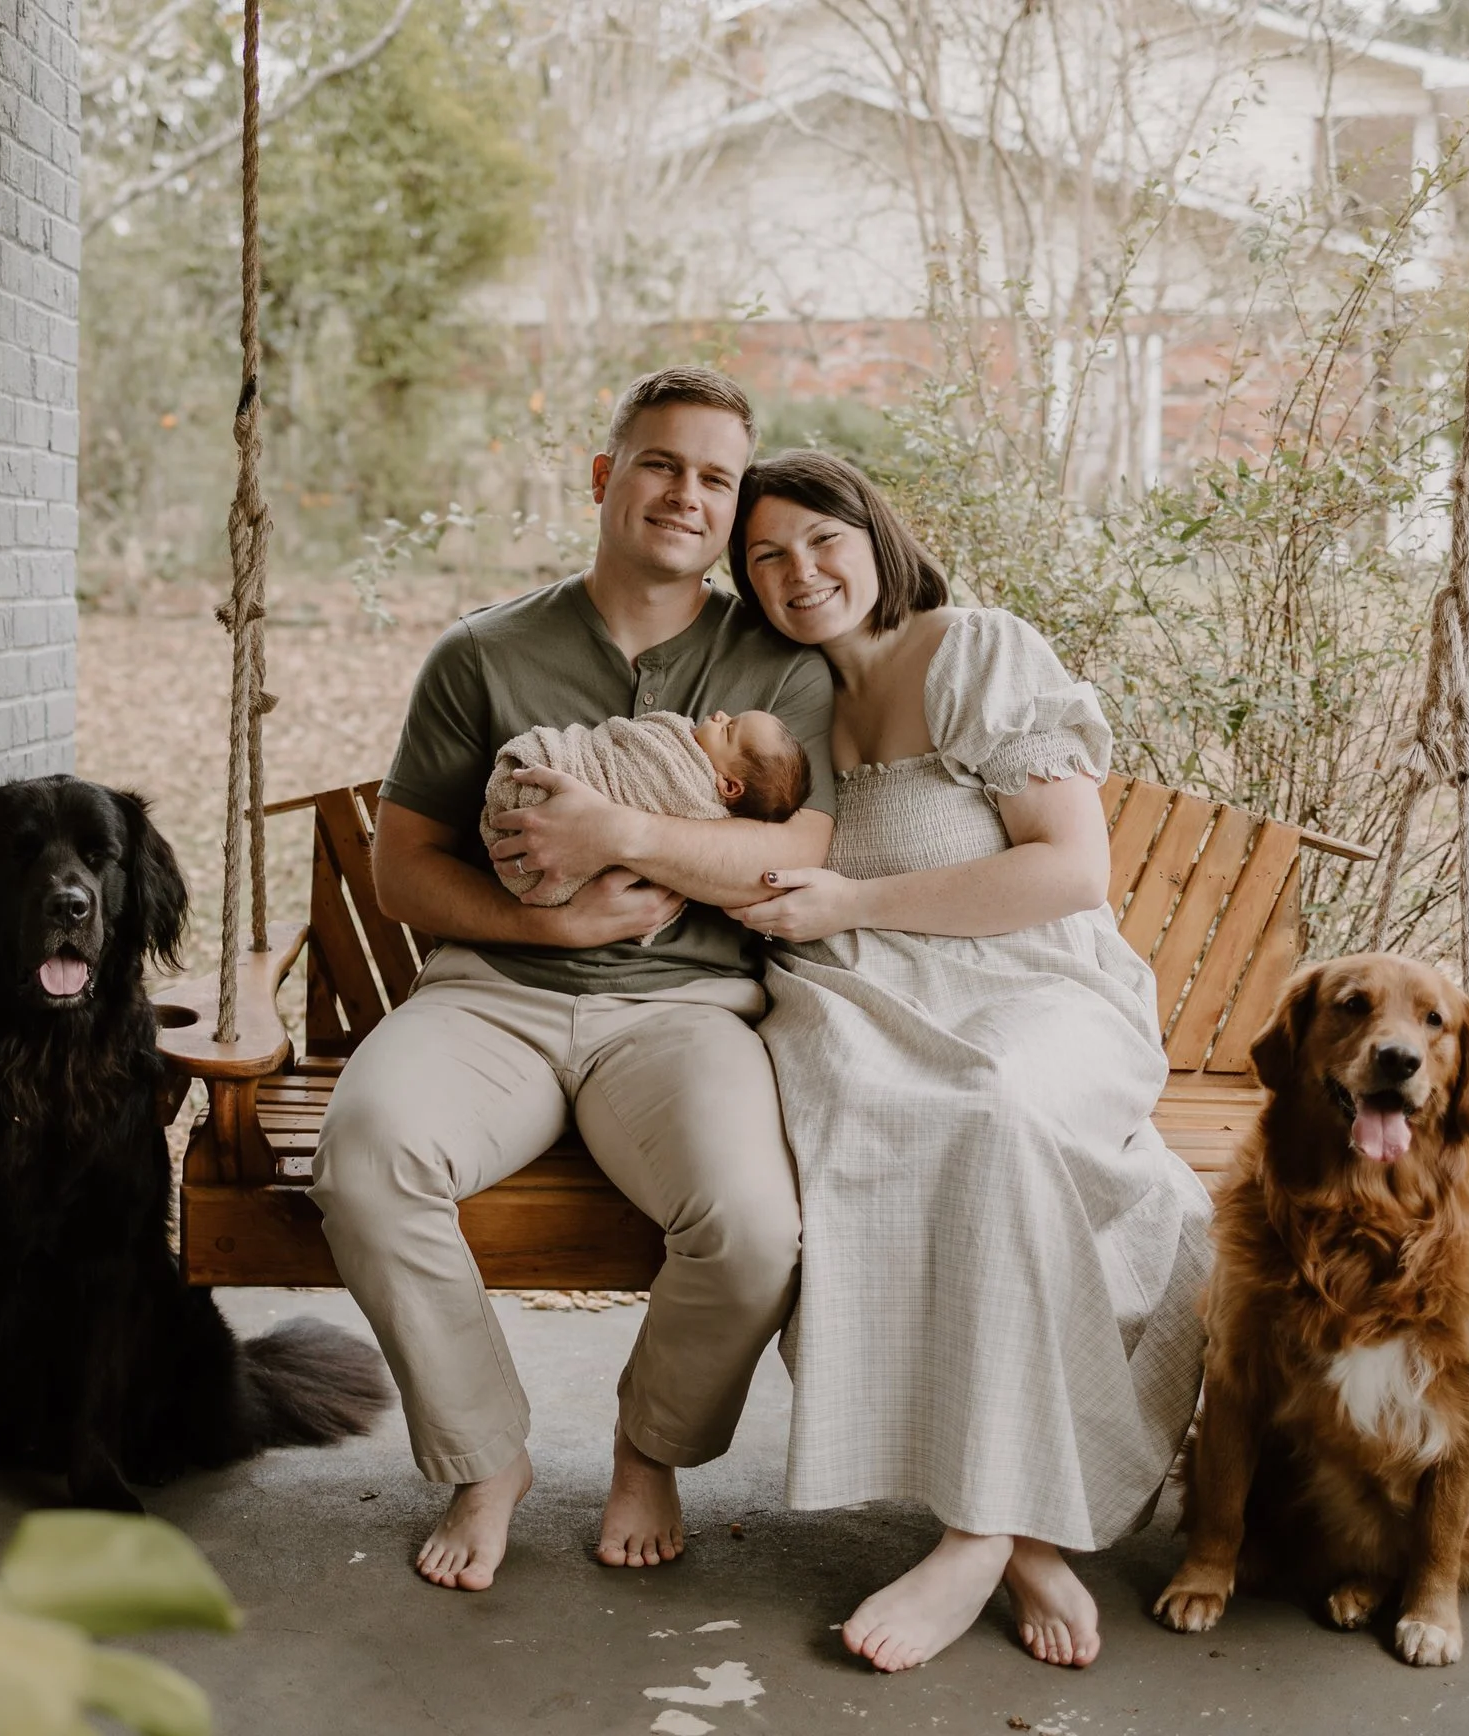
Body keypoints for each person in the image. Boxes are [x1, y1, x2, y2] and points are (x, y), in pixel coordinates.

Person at [308, 367, 837, 1592]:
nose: (685, 493)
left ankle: (650, 1445)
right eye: (661, 462)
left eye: (715, 476)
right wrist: (544, 926)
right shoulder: (484, 653)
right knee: (365, 1157)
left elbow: (796, 852)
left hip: (682, 1009)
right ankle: (484, 1456)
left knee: (754, 1228)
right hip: (491, 992)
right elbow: (400, 869)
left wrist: (622, 837)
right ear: (606, 477)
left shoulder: (777, 669)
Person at [727, 450, 1212, 1673]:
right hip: (857, 994)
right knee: (868, 1126)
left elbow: (1067, 871)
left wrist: (854, 895)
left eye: (821, 538)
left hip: (1031, 980)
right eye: (767, 554)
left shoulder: (978, 651)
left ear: (873, 534)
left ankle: (979, 1531)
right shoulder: (782, 699)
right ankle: (1024, 1525)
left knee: (989, 1106)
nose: (801, 571)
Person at [481, 708, 813, 907]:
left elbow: (643, 788)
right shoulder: (678, 739)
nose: (719, 715)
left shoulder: (693, 794)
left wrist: (610, 829)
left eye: (728, 729)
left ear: (729, 786)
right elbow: (620, 747)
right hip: (561, 771)